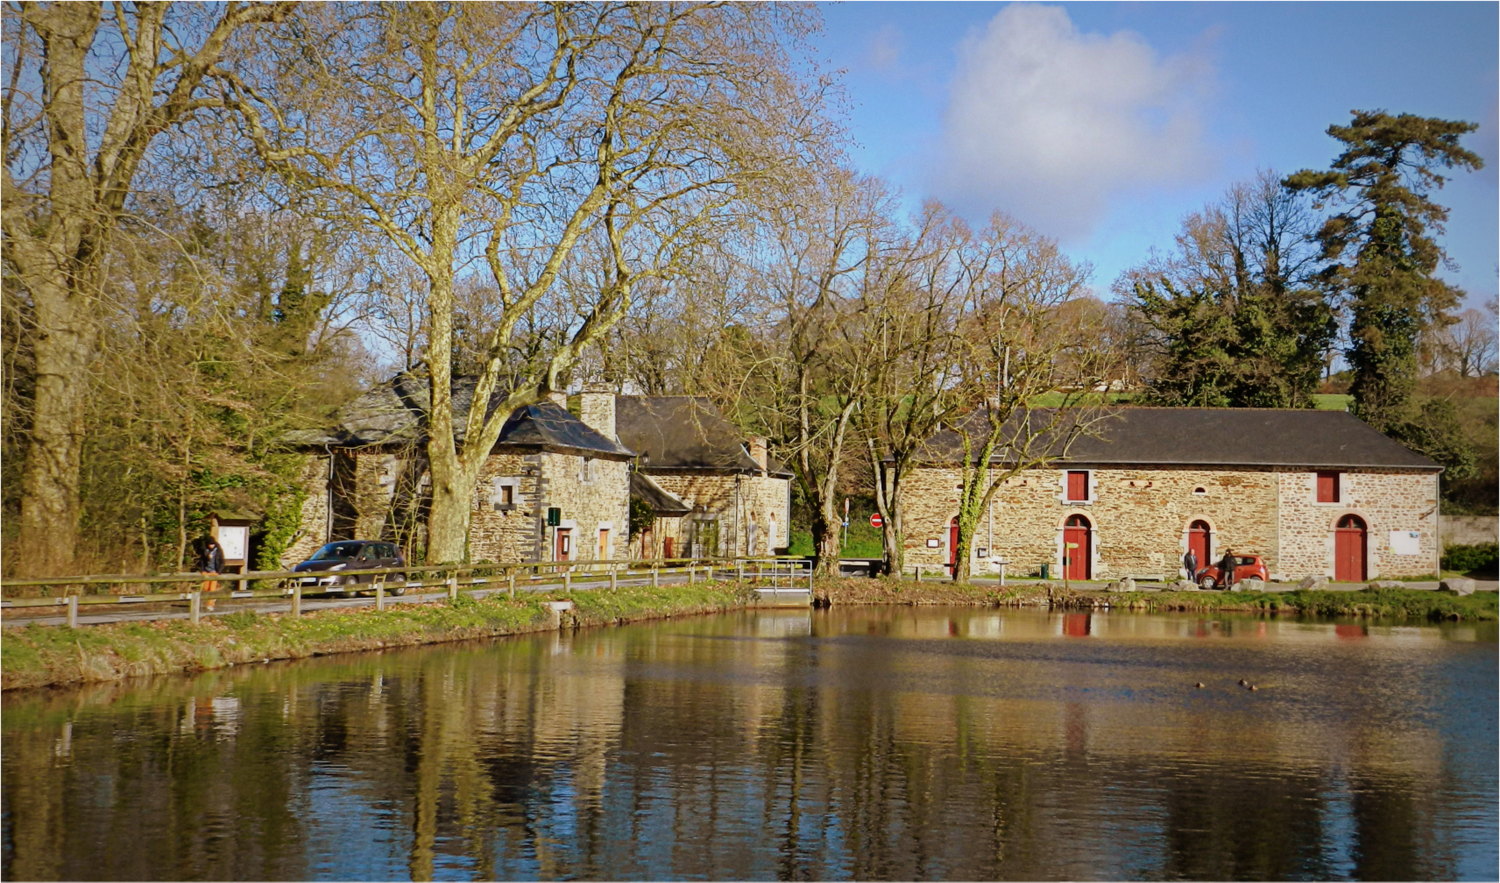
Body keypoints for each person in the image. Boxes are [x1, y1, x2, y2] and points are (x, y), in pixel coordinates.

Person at [193, 538, 224, 611]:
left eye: (212, 544)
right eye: (210, 544)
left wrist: (218, 571)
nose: (211, 546)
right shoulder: (205, 550)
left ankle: (210, 604)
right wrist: (202, 570)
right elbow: (202, 560)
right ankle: (210, 600)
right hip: (206, 571)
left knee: (212, 589)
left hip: (214, 572)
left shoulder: (218, 551)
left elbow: (222, 561)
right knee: (205, 588)